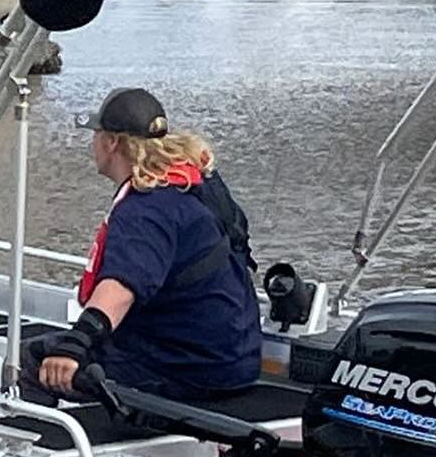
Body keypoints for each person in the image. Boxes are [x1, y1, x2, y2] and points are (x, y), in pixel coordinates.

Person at [26, 88, 260, 403]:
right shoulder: (196, 185)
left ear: (111, 143)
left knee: (33, 358)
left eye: (96, 134)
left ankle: (32, 445)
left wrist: (75, 345)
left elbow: (121, 288)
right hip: (235, 357)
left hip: (187, 368)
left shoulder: (144, 209)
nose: (92, 143)